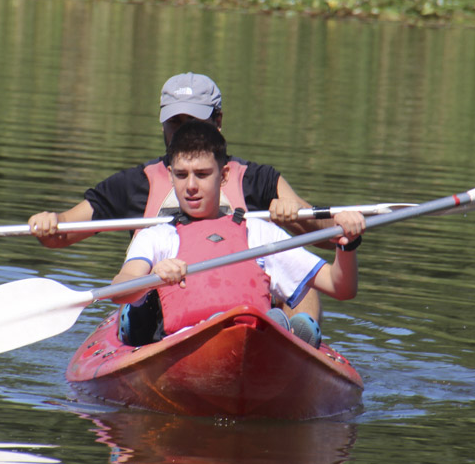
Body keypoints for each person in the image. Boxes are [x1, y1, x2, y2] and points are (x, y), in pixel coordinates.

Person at [28, 72, 340, 321]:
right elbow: (62, 233)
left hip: (244, 305)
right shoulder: (134, 183)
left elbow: (328, 239)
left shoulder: (257, 180)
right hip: (160, 309)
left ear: (217, 122)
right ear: (162, 122)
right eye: (175, 122)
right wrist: (49, 222)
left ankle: (300, 342)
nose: (182, 131)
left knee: (303, 279)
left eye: (193, 121)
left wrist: (297, 217)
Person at [110, 120, 364, 349]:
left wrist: (347, 244)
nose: (190, 186)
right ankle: (276, 330)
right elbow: (120, 288)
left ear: (224, 175)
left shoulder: (260, 233)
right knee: (139, 313)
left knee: (262, 326)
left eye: (202, 174)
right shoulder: (155, 237)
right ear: (170, 176)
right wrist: (152, 278)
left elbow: (340, 287)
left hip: (250, 342)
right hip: (184, 345)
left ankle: (276, 331)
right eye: (181, 175)